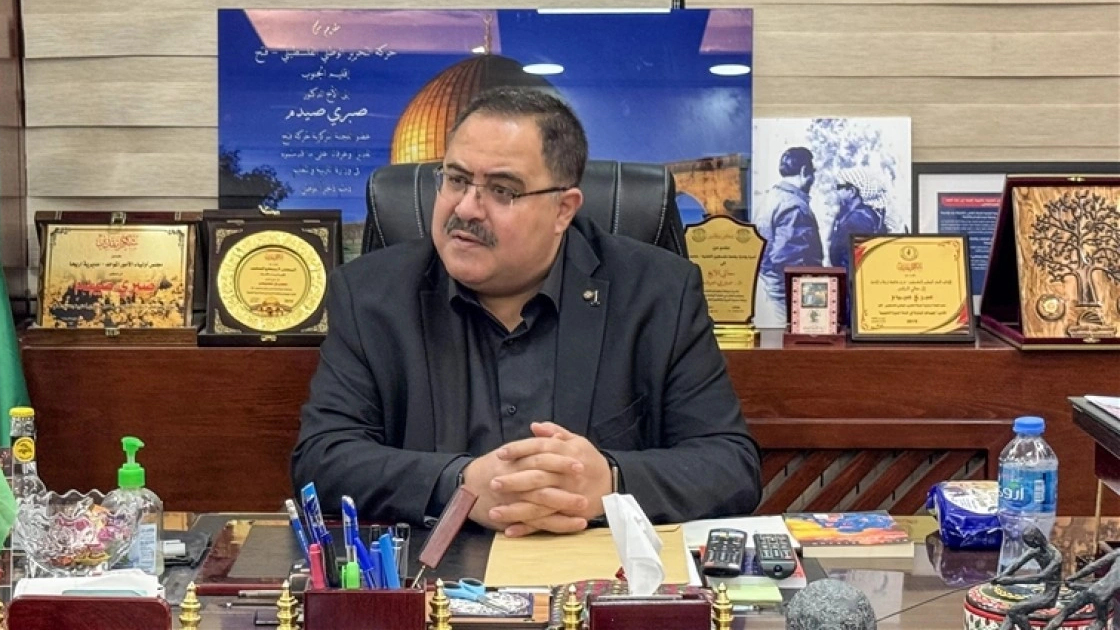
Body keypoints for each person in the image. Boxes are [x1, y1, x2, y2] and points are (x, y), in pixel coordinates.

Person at [291, 88, 761, 536]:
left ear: (563, 210)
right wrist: (460, 485)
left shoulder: (658, 293)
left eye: (502, 190)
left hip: (597, 575)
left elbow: (730, 465)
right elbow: (322, 460)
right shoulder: (370, 295)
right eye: (456, 180)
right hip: (435, 577)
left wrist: (610, 481)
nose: (466, 208)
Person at [757, 147, 822, 307]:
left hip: (769, 291)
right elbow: (788, 261)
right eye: (813, 172)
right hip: (787, 297)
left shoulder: (771, 197)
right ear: (804, 171)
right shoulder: (794, 207)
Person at [990, 526, 1065, 630]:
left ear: (1037, 540)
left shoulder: (1056, 556)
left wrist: (1010, 580)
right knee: (1011, 614)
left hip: (1050, 596)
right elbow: (1016, 564)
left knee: (1014, 611)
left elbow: (1040, 578)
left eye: (1031, 543)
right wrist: (1002, 576)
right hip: (1044, 594)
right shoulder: (1036, 550)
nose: (1031, 546)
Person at [828, 168, 887, 271]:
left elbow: (850, 259)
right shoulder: (863, 214)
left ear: (852, 191)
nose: (835, 191)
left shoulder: (858, 220)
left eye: (839, 187)